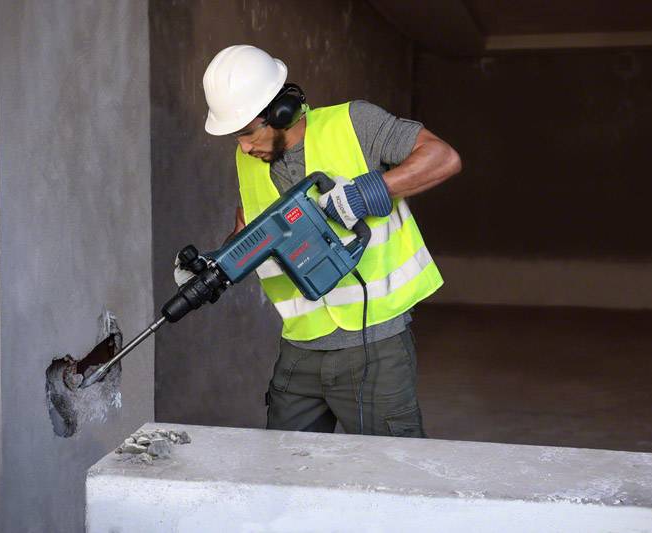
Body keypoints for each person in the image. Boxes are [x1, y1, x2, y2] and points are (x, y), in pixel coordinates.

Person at [197, 44, 461, 437]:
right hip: (300, 345)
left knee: (389, 466)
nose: (244, 147)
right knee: (284, 464)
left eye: (248, 132)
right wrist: (213, 265)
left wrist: (369, 192)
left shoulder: (353, 124)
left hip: (375, 344)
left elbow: (443, 157)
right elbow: (247, 230)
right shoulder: (248, 160)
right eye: (236, 137)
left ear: (281, 111)